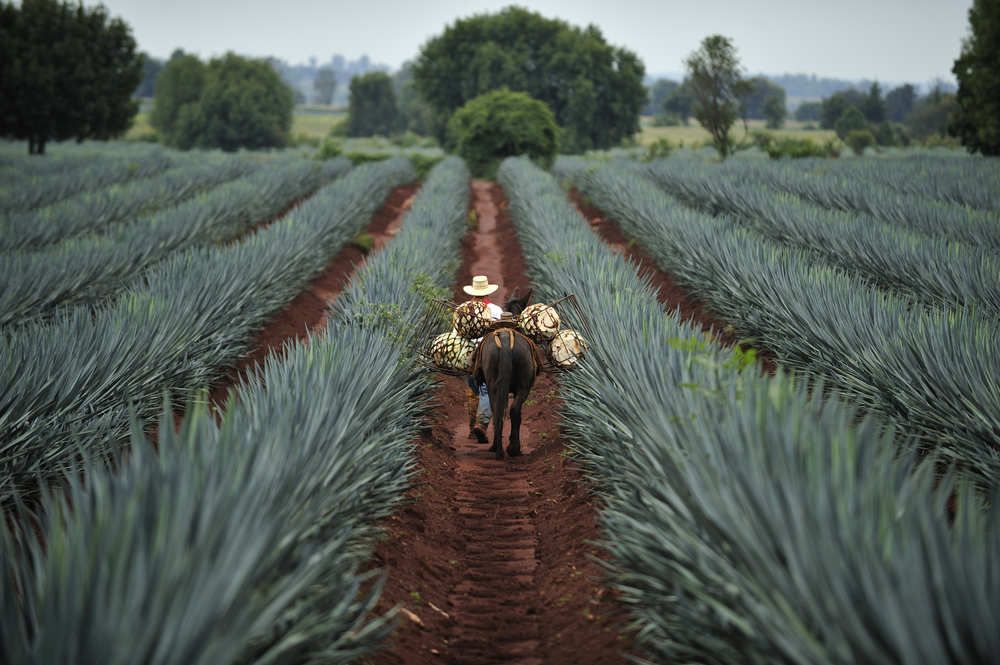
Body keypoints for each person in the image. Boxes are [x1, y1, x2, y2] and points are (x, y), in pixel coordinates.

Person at [461, 275, 503, 442]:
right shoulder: (497, 310)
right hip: (492, 355)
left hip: (470, 354)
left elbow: (458, 335)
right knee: (487, 389)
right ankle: (481, 424)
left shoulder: (463, 309)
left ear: (473, 294)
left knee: (473, 391)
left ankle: (473, 429)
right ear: (487, 294)